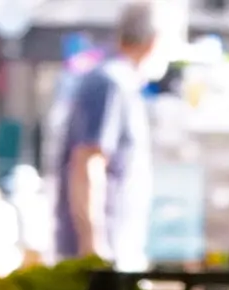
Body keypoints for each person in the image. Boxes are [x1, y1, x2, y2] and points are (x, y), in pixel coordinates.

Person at [47, 1, 158, 266]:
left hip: (118, 247)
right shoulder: (110, 82)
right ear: (154, 41)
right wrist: (92, 246)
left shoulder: (124, 83)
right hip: (100, 254)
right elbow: (87, 163)